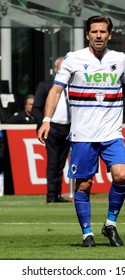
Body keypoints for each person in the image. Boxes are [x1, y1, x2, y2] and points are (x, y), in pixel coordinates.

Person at [37, 15, 125, 247]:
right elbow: (56, 90)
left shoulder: (120, 59)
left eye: (103, 32)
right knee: (84, 185)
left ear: (110, 35)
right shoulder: (73, 59)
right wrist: (47, 119)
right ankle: (87, 233)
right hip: (83, 135)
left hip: (112, 134)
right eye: (94, 32)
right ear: (87, 35)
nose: (99, 35)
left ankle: (110, 224)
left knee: (121, 175)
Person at [32, 57, 71, 203]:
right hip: (52, 126)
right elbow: (35, 108)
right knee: (53, 162)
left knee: (61, 162)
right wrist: (44, 122)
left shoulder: (72, 85)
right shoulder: (46, 85)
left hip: (68, 128)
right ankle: (51, 195)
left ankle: (57, 194)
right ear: (55, 70)